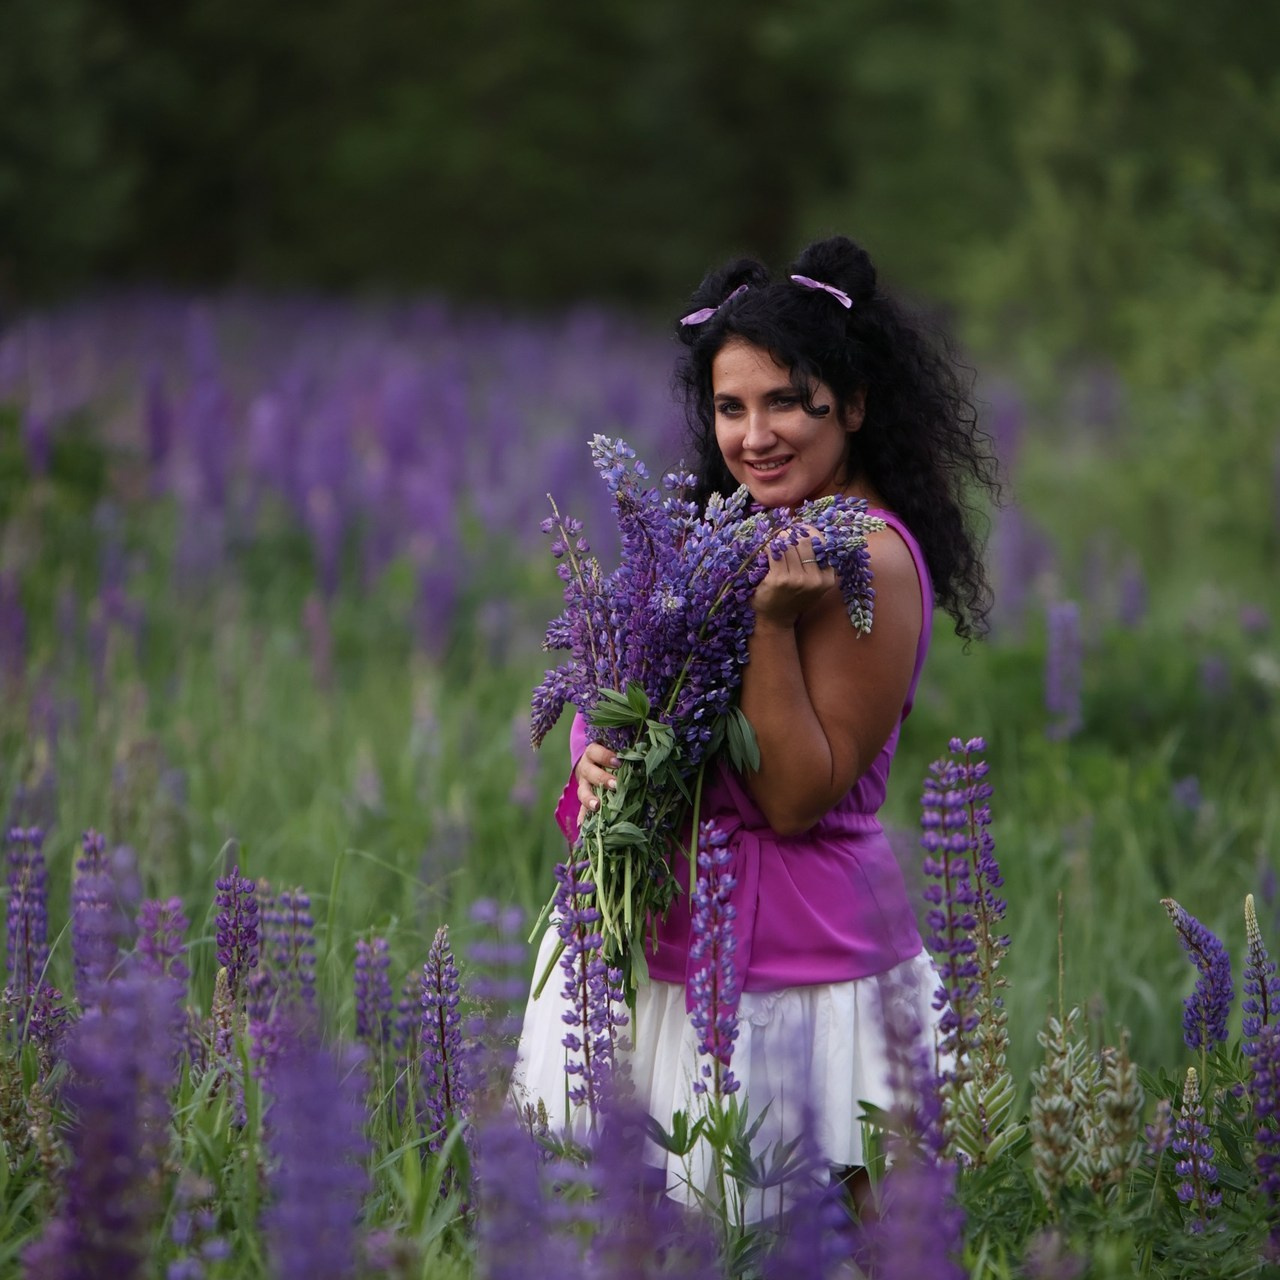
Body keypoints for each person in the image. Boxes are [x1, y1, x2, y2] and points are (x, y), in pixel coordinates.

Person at [513, 234, 998, 1219]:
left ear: (851, 405)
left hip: (798, 967)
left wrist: (771, 627)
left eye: (786, 400)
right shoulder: (725, 525)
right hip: (659, 939)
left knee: (805, 1242)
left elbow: (790, 791)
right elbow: (627, 672)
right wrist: (597, 752)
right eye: (730, 407)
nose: (754, 434)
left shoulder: (869, 555)